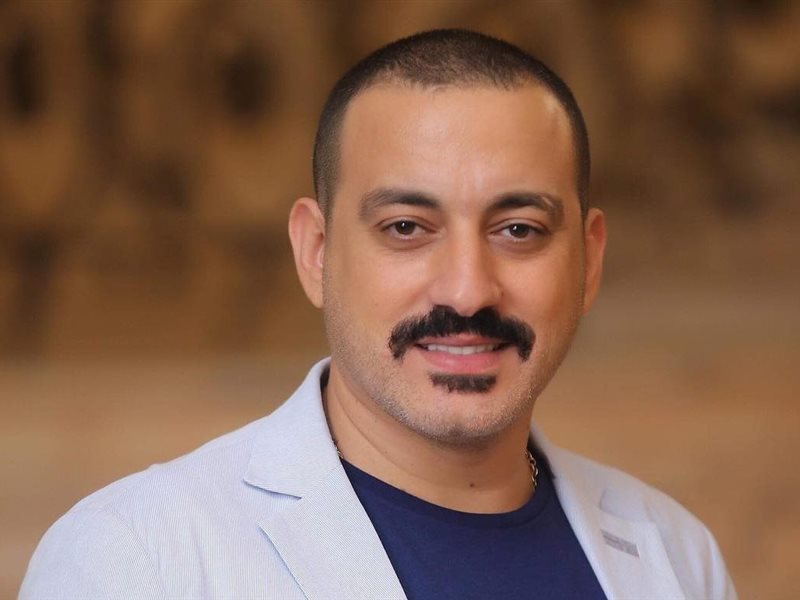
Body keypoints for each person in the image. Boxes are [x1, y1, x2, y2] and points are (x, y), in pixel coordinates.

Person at [21, 29, 737, 600]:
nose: (468, 291)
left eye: (518, 229)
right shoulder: (137, 560)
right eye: (406, 228)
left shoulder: (677, 557)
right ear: (316, 253)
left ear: (589, 260)